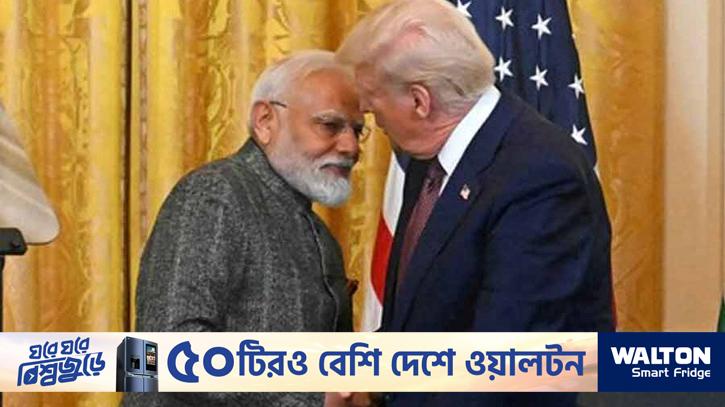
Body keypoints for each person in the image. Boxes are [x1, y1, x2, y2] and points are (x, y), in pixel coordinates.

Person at [336, 0, 613, 405]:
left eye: (374, 108)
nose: (375, 123)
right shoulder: (431, 159)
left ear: (419, 101)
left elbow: (502, 364)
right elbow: (419, 324)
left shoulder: (539, 174)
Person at [124, 50, 365, 406]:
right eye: (329, 125)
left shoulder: (319, 235)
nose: (351, 147)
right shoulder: (215, 194)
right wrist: (309, 398)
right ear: (265, 121)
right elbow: (163, 350)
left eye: (358, 131)